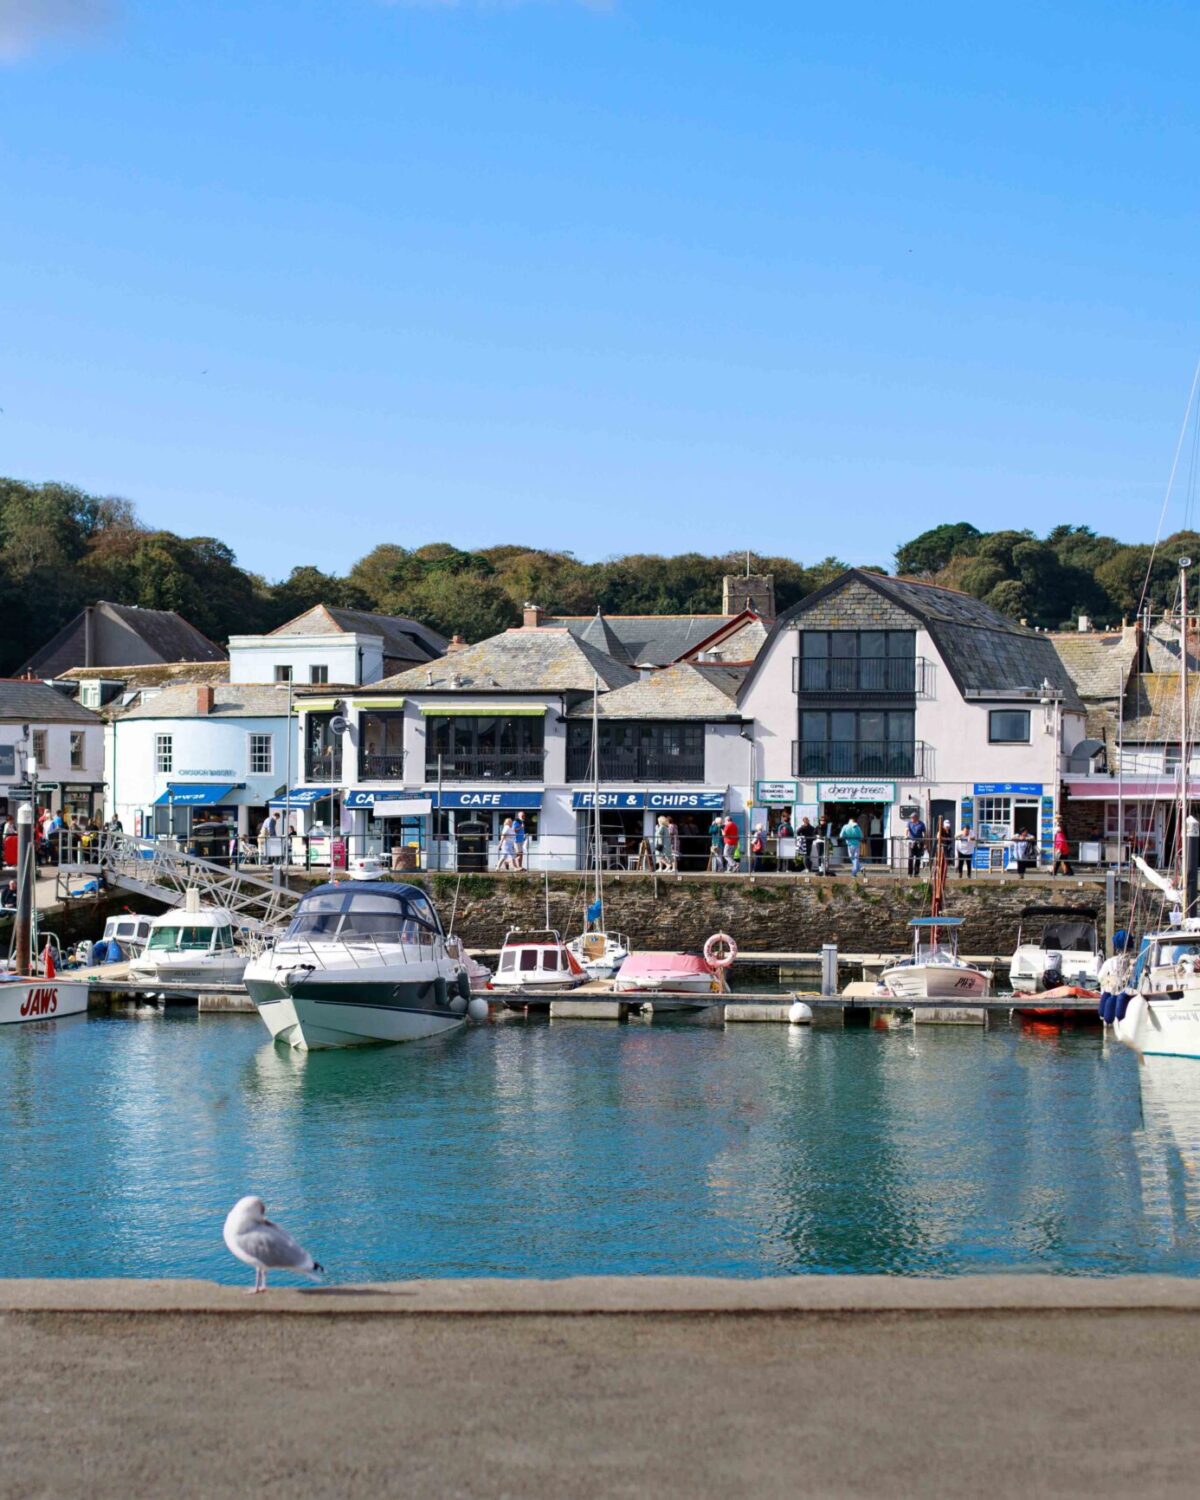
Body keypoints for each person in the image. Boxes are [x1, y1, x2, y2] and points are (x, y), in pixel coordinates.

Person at [1098, 930, 1134, 1024]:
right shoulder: (1135, 963)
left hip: (1114, 996)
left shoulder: (1110, 962)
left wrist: (1111, 984)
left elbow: (1100, 978)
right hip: (1128, 997)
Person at [905, 811, 927, 877]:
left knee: (918, 858)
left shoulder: (921, 824)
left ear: (916, 818)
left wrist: (925, 842)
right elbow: (906, 829)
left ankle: (916, 873)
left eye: (912, 817)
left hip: (919, 842)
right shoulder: (909, 823)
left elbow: (925, 833)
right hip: (911, 842)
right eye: (911, 817)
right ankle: (909, 873)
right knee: (910, 857)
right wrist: (906, 835)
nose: (911, 819)